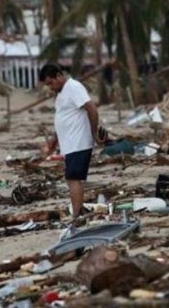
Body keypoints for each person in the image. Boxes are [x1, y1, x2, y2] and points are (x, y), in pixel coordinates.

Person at [39, 64, 102, 219]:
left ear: (59, 76)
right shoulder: (62, 93)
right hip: (70, 144)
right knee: (72, 178)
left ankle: (77, 215)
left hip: (79, 142)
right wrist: (55, 140)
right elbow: (64, 117)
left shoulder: (73, 87)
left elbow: (91, 108)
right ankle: (78, 212)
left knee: (73, 178)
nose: (49, 87)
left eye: (50, 83)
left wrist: (94, 133)